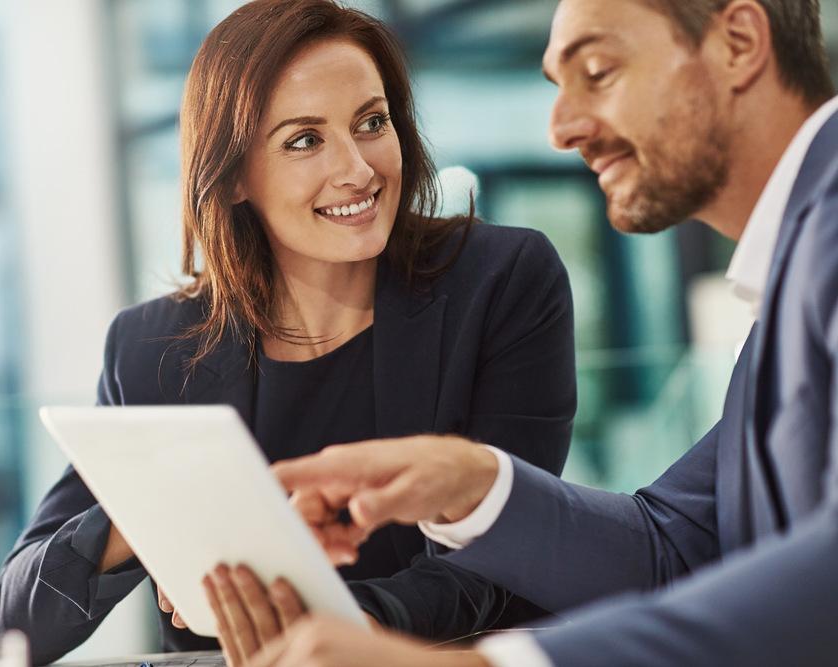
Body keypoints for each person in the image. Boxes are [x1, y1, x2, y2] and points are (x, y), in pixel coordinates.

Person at [202, 0, 838, 665]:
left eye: (598, 71)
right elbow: (672, 548)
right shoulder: (793, 278)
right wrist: (472, 483)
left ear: (738, 43)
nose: (562, 127)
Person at [0, 1, 578, 664]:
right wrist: (152, 516)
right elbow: (17, 619)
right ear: (235, 175)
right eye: (305, 140)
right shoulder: (153, 347)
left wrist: (335, 629)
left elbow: (501, 559)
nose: (357, 168)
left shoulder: (502, 282)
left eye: (371, 122)